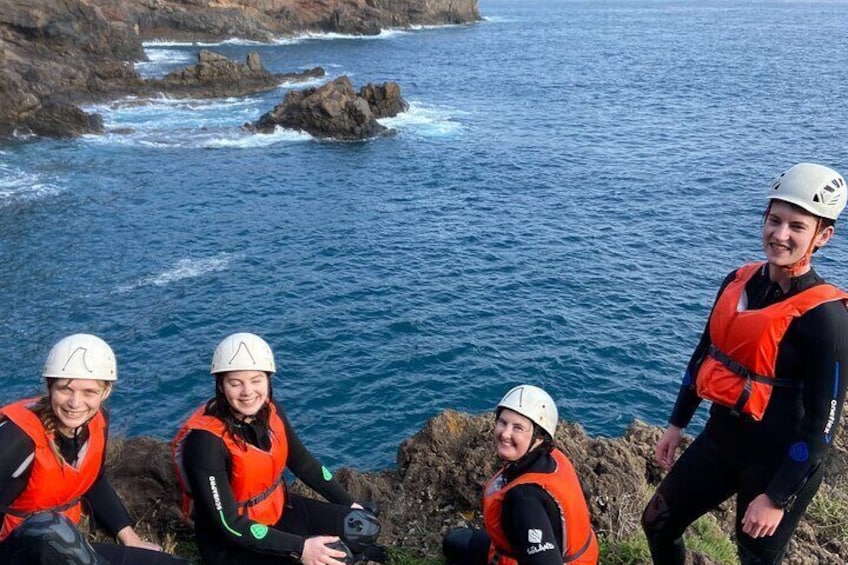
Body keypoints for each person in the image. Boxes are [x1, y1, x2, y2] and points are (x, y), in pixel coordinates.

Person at [641, 162, 848, 564]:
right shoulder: (739, 280)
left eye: (797, 226)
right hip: (721, 442)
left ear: (823, 236)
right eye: (774, 220)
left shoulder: (828, 318)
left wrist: (775, 497)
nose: (780, 235)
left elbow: (823, 424)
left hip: (779, 463)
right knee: (657, 522)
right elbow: (704, 354)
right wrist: (675, 424)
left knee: (753, 558)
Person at [172, 332, 386, 565]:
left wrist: (348, 502)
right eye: (235, 383)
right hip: (233, 542)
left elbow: (305, 464)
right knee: (334, 559)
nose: (248, 392)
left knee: (364, 526)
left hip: (280, 511)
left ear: (268, 379)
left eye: (256, 380)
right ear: (221, 386)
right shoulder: (206, 442)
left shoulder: (272, 412)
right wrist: (300, 548)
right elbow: (229, 524)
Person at [0, 333, 187, 564]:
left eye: (89, 392)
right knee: (48, 527)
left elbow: (93, 481)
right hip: (17, 551)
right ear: (49, 387)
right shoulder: (15, 439)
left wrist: (130, 538)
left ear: (105, 392)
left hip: (65, 549)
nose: (75, 403)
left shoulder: (98, 421)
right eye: (65, 389)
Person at [442, 384, 599, 565]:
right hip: (578, 555)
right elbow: (583, 494)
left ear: (539, 436)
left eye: (518, 428)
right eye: (502, 422)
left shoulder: (524, 498)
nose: (505, 433)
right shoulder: (554, 458)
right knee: (454, 541)